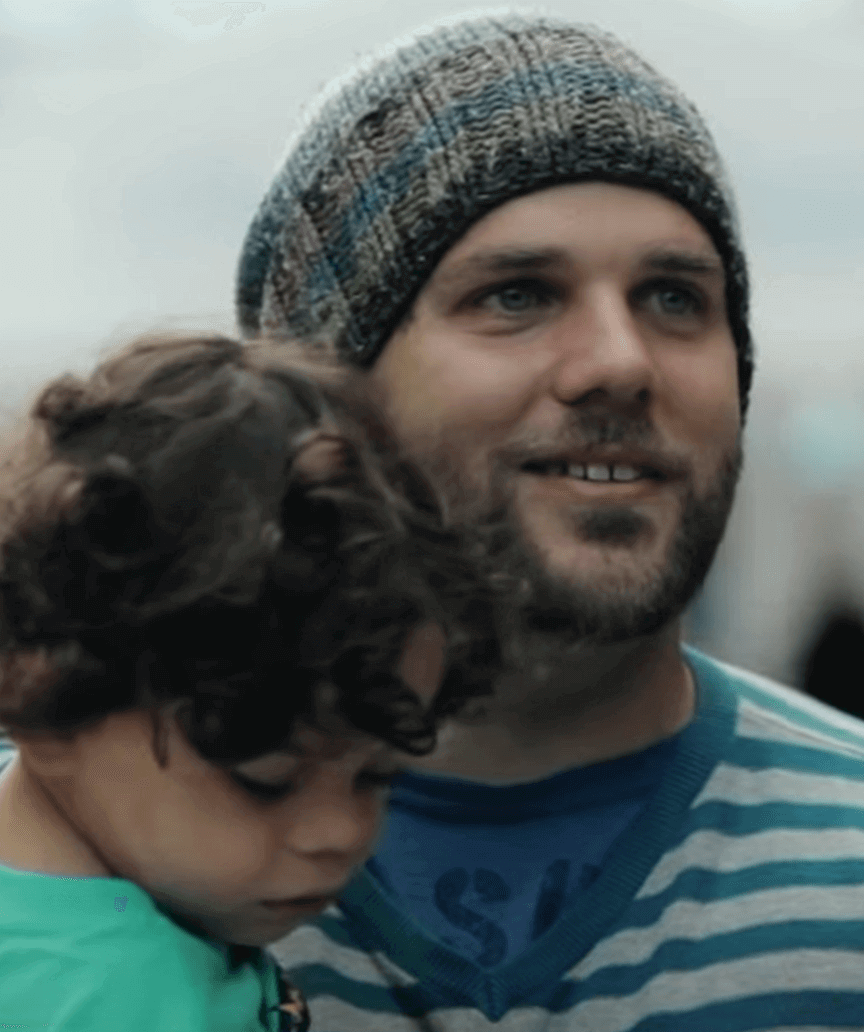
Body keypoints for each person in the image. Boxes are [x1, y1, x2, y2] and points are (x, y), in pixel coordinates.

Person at [236, 13, 864, 1030]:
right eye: (518, 294)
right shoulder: (68, 861)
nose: (621, 360)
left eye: (673, 297)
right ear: (323, 399)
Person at [0, 333, 498, 1031]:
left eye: (376, 777)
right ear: (41, 695)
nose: (340, 833)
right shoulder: (117, 1002)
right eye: (265, 779)